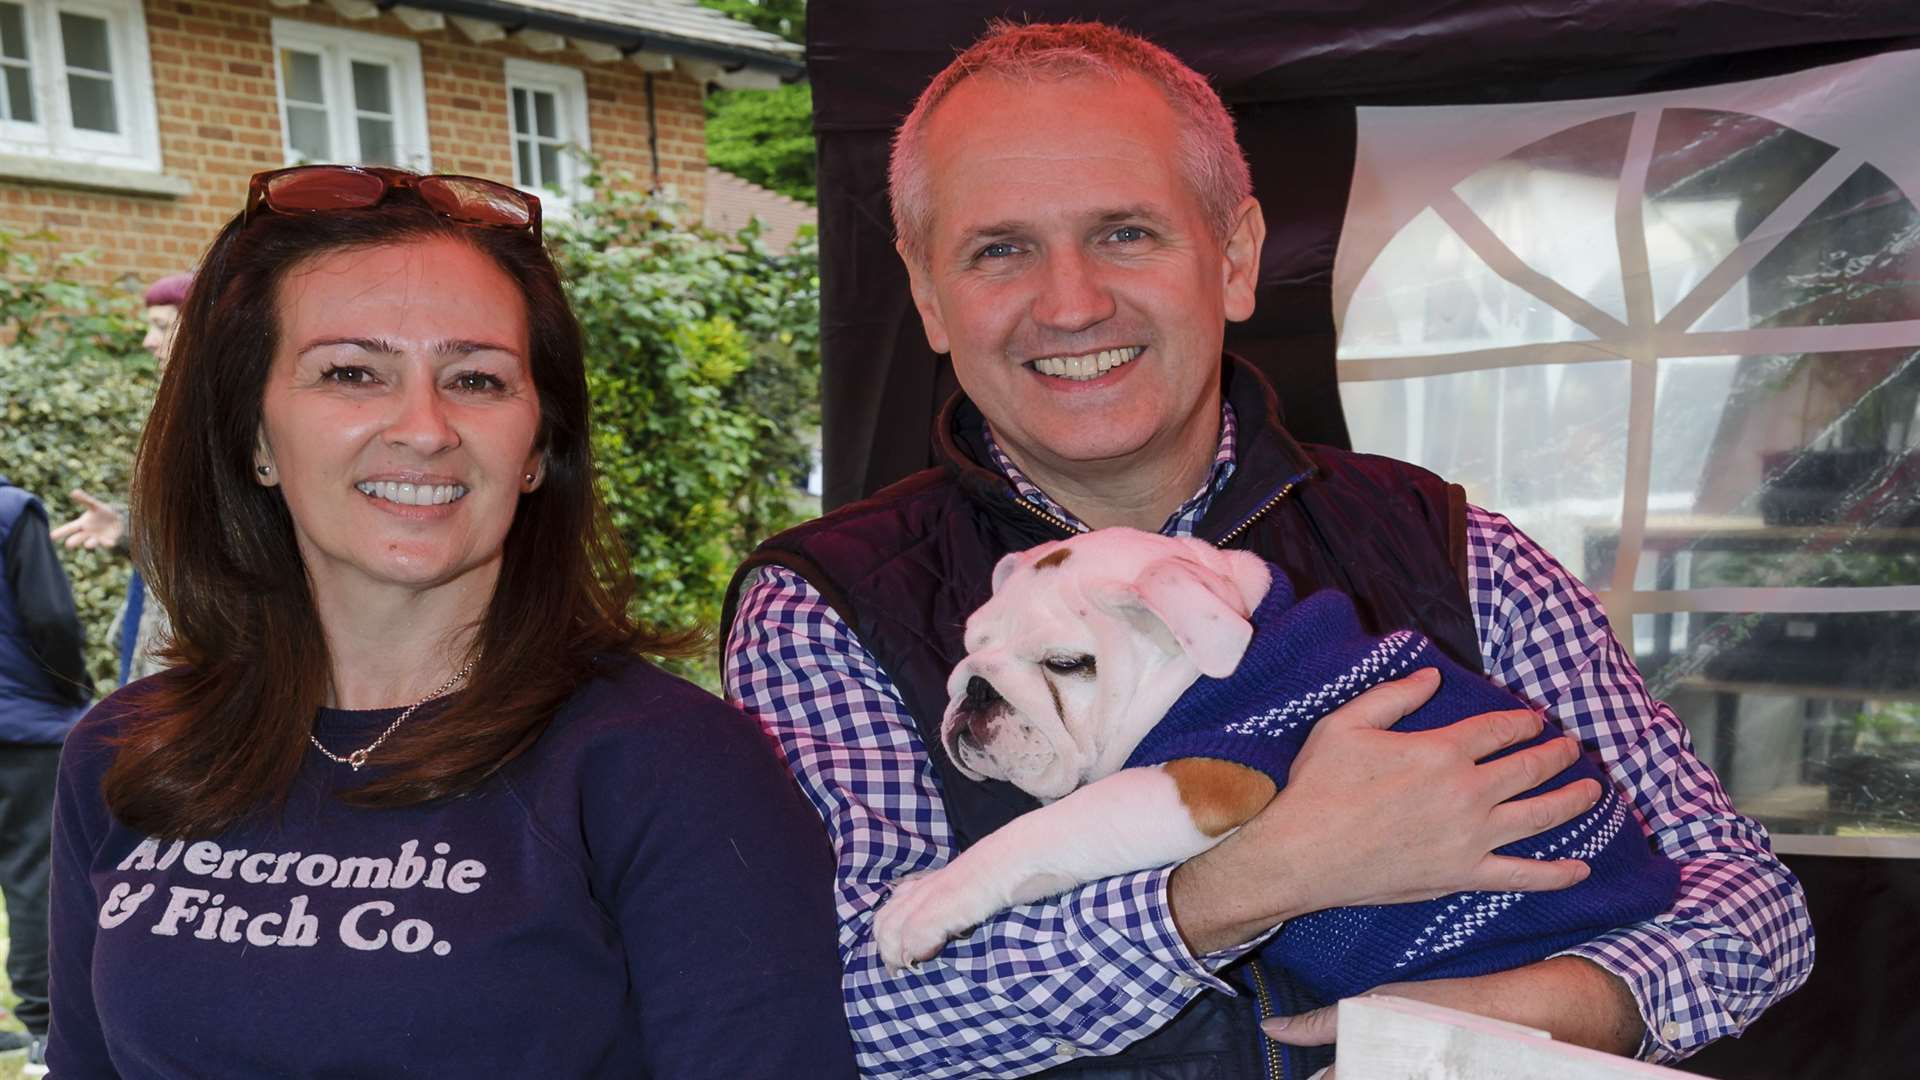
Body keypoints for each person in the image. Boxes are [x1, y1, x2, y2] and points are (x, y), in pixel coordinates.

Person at [722, 20, 1814, 1079]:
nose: (1070, 302)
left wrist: (1520, 1012)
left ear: (1235, 257)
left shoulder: (1457, 551)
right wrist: (1254, 878)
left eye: (1125, 233)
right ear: (927, 294)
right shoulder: (826, 605)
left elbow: (1751, 905)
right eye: (1001, 248)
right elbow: (850, 1021)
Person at [46, 165, 857, 1078]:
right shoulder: (127, 750)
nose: (425, 428)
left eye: (476, 379)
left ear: (539, 446)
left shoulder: (671, 768)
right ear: (254, 438)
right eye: (352, 373)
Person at [51, 271, 194, 684]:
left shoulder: (227, 425)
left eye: (163, 327)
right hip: (167, 650)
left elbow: (221, 546)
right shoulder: (177, 417)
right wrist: (127, 528)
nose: (149, 342)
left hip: (200, 664)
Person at [0, 476, 92, 1075]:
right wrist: (76, 693)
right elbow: (53, 619)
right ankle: (42, 1025)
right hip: (23, 727)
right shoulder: (10, 510)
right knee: (37, 870)